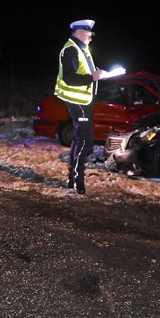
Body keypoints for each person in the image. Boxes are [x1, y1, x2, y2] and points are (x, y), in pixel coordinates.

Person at [54, 19, 112, 195]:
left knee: (82, 139)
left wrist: (99, 75)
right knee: (85, 141)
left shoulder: (81, 48)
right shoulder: (70, 49)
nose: (91, 38)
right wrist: (93, 77)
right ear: (79, 32)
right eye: (89, 34)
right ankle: (77, 182)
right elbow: (69, 78)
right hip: (77, 101)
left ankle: (74, 180)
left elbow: (86, 73)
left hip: (84, 101)